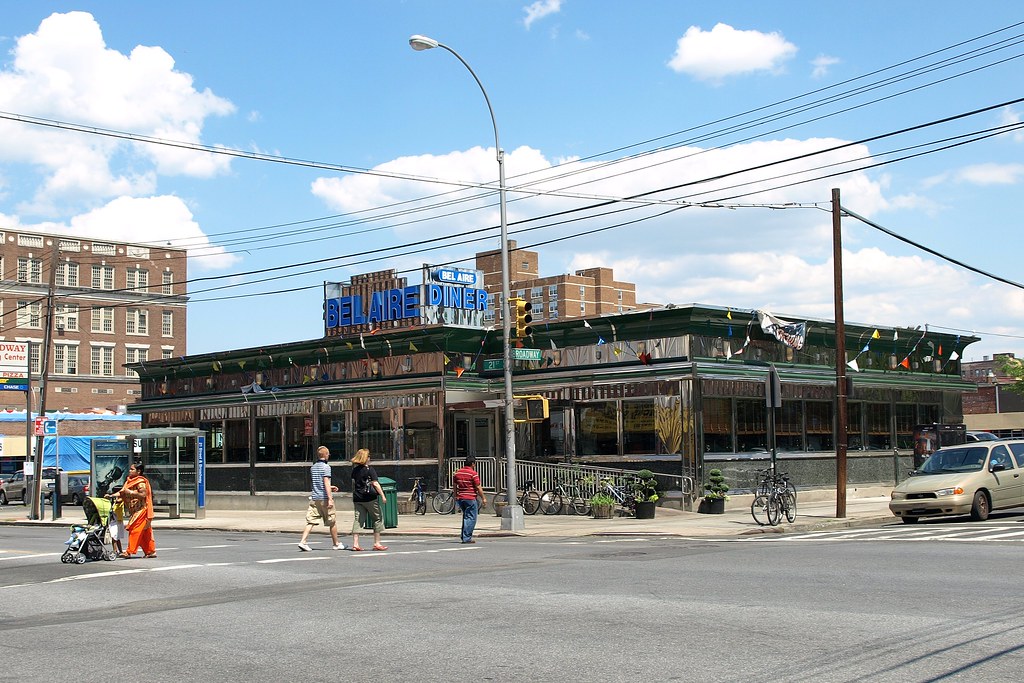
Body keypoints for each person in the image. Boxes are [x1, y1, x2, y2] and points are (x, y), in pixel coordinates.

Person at [298, 445, 345, 551]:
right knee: (332, 521)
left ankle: (303, 541)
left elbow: (318, 483)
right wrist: (330, 498)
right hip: (324, 498)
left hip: (315, 498)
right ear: (326, 455)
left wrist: (330, 487)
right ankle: (336, 543)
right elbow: (325, 482)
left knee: (311, 521)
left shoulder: (313, 467)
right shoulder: (326, 467)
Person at [111, 461, 156, 559]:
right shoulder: (128, 481)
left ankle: (129, 551)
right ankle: (150, 551)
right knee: (145, 532)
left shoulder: (141, 482)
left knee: (134, 530)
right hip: (134, 511)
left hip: (142, 510)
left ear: (138, 471)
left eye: (132, 469)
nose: (130, 471)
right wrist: (111, 496)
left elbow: (143, 494)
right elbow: (122, 492)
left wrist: (130, 492)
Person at [349, 448, 387, 551]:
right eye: (369, 456)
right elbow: (375, 483)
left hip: (357, 498)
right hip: (369, 498)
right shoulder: (370, 469)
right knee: (377, 518)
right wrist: (382, 495)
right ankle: (377, 543)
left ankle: (355, 544)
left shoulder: (355, 470)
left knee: (358, 519)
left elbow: (354, 483)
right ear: (365, 458)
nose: (370, 458)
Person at [453, 455, 487, 544]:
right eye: (474, 464)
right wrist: (483, 498)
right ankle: (466, 537)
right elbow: (478, 487)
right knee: (471, 518)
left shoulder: (458, 473)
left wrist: (456, 495)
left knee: (466, 517)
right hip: (470, 498)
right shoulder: (473, 473)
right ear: (472, 464)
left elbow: (455, 485)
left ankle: (464, 536)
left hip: (461, 498)